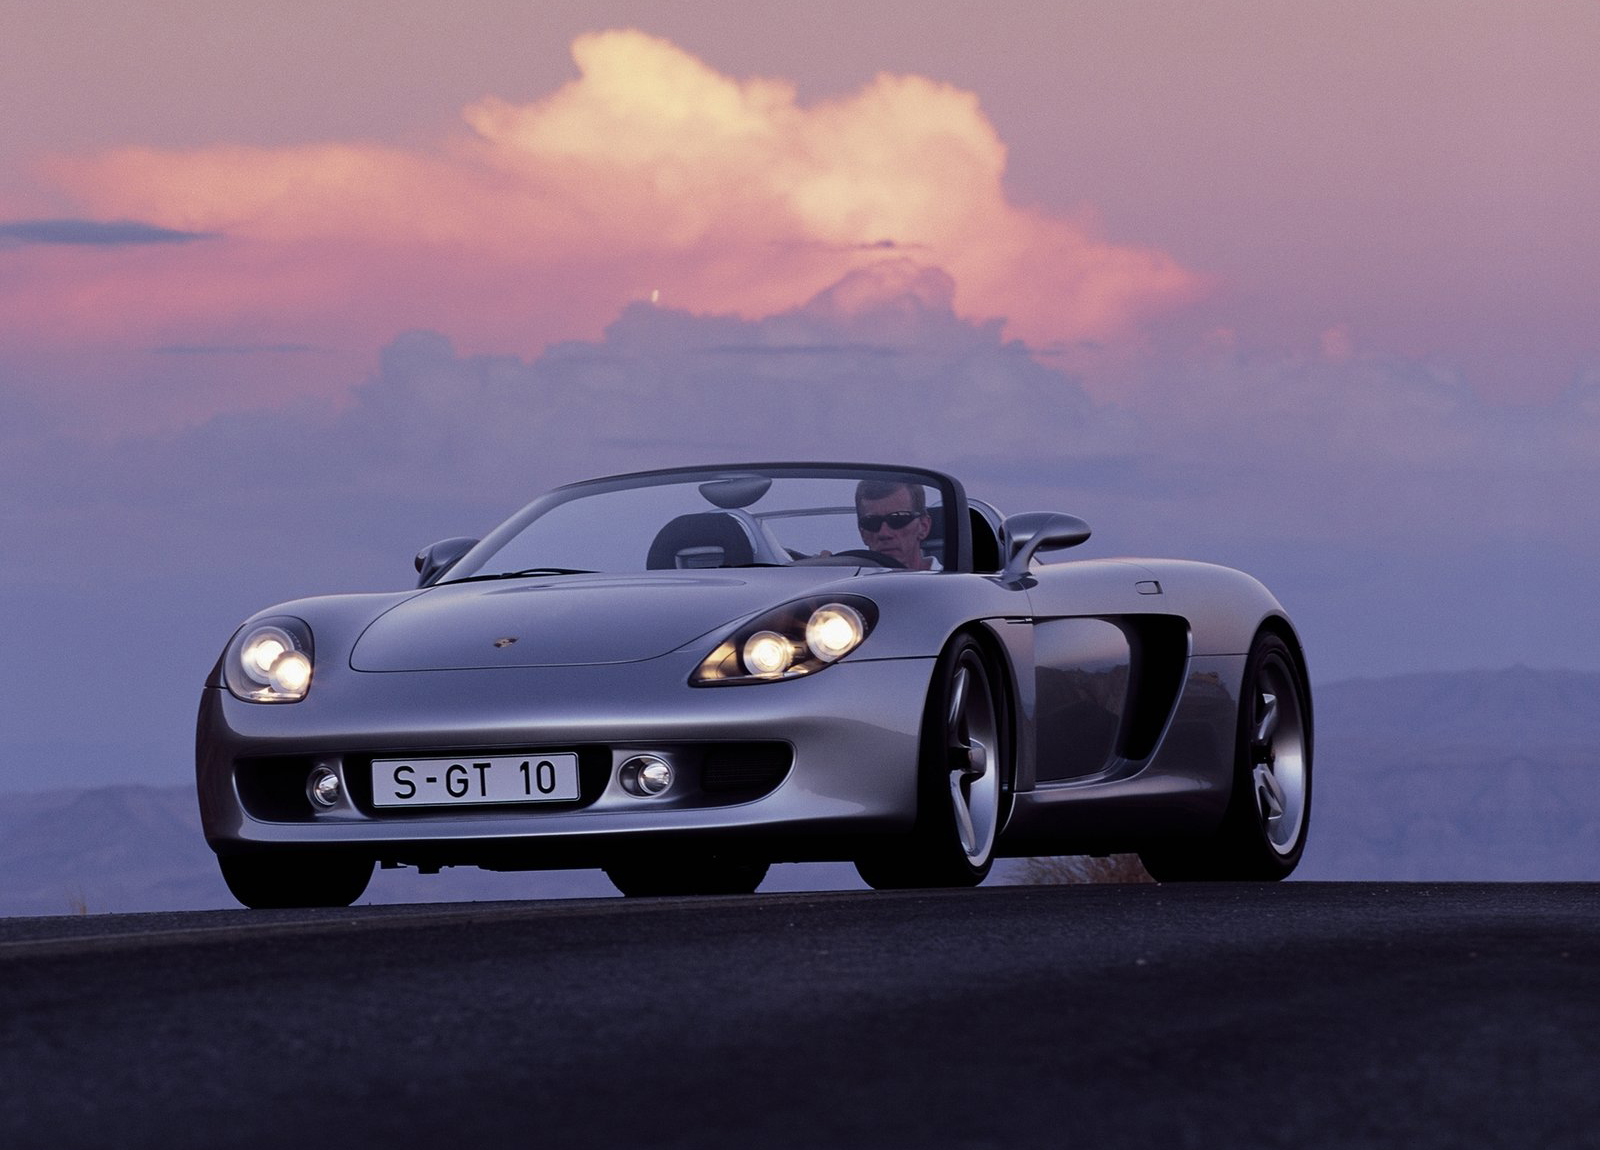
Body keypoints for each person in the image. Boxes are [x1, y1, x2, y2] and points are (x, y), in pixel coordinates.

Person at [854, 478, 938, 570]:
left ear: (924, 526)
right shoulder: (846, 582)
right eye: (872, 522)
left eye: (897, 519)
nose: (884, 533)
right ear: (862, 534)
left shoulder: (952, 582)